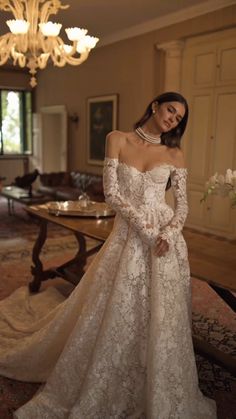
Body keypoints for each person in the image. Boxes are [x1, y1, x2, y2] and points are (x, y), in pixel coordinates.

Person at [0, 92, 216, 418]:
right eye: (171, 110)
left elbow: (182, 204)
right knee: (118, 307)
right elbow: (112, 194)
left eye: (179, 118)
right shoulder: (117, 138)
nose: (173, 119)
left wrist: (169, 234)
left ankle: (155, 379)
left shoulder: (174, 153)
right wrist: (145, 231)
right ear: (155, 105)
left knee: (161, 314)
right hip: (130, 234)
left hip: (165, 241)